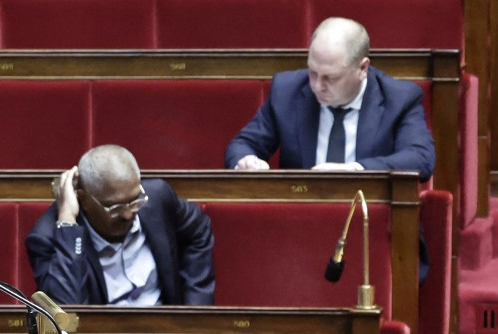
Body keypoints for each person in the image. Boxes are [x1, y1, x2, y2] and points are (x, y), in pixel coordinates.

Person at [225, 16, 435, 180]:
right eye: (312, 72)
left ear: (362, 68)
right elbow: (242, 145)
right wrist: (246, 160)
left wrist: (353, 170)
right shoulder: (287, 91)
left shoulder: (399, 98)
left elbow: (420, 159)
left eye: (330, 78)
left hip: (368, 214)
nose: (317, 86)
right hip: (302, 213)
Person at [26, 144, 215, 305]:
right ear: (83, 199)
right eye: (115, 207)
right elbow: (66, 314)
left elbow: (199, 230)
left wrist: (194, 312)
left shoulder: (157, 198)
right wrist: (68, 221)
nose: (128, 214)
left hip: (165, 331)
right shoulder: (49, 236)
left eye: (134, 201)